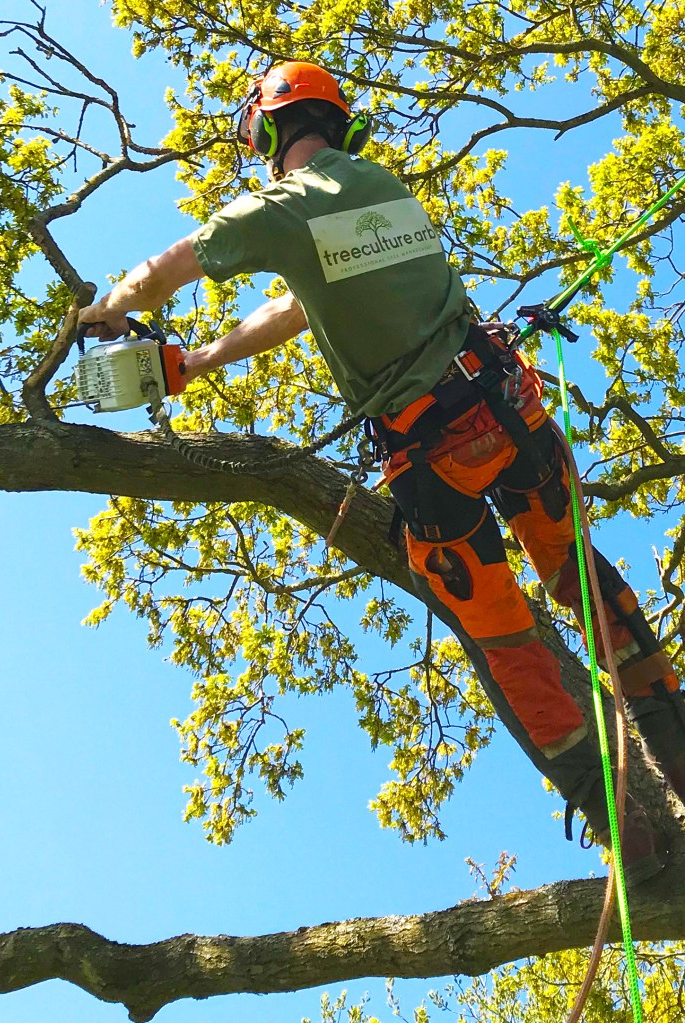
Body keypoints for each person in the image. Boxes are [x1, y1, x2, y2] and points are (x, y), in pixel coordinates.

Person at [78, 61, 685, 883]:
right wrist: (203, 359)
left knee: (504, 639)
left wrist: (109, 307)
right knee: (580, 575)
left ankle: (623, 823)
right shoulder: (380, 188)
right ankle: (674, 740)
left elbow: (171, 265)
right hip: (510, 412)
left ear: (266, 123)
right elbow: (295, 306)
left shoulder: (283, 206)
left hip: (434, 460)